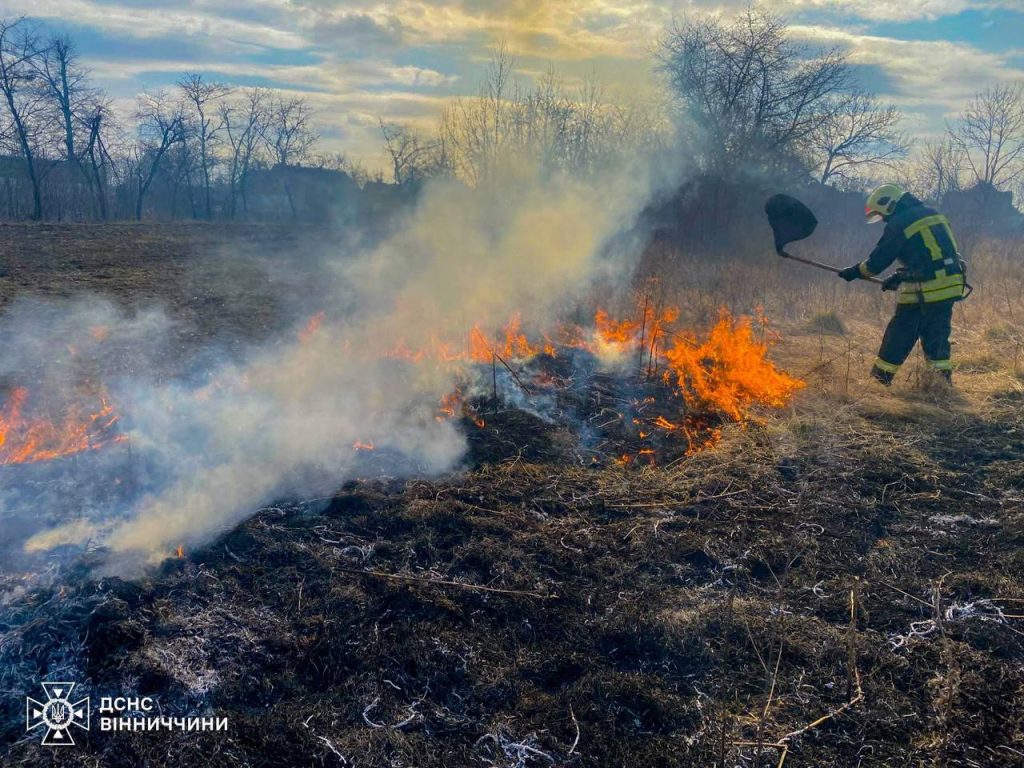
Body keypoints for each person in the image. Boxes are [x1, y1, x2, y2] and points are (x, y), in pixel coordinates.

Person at [838, 183, 968, 385]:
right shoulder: (933, 214)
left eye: (882, 215)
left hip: (926, 289)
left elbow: (877, 263)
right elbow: (930, 255)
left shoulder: (899, 222)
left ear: (889, 205)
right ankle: (941, 386)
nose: (884, 220)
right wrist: (901, 276)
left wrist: (854, 272)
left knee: (899, 335)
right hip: (950, 285)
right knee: (937, 337)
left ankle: (878, 383)